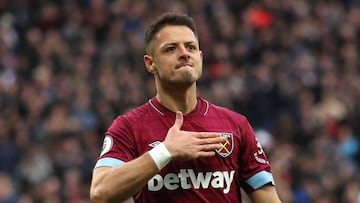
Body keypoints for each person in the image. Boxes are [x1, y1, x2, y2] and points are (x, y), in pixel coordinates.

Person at [90, 12, 282, 203]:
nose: (184, 53)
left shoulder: (235, 125)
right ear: (150, 63)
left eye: (190, 47)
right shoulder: (128, 128)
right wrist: (165, 152)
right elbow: (100, 193)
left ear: (200, 57)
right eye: (171, 49)